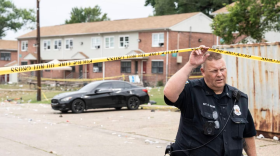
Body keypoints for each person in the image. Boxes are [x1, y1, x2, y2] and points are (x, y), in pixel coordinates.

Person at [164, 45, 257, 156]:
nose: (219, 74)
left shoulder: (239, 98)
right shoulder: (191, 91)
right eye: (214, 71)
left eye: (222, 69)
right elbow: (169, 92)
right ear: (203, 71)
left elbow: (247, 135)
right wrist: (191, 64)